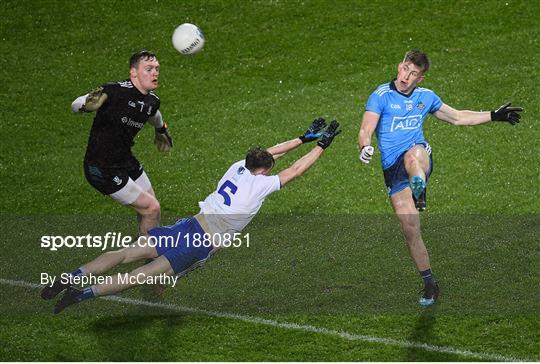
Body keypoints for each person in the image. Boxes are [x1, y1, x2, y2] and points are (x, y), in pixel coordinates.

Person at [41, 118, 341, 314]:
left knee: (122, 254)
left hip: (187, 225)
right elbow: (295, 170)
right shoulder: (261, 185)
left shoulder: (238, 167)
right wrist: (322, 146)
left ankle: (68, 278)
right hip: (200, 243)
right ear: (264, 169)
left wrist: (302, 138)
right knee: (137, 277)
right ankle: (79, 296)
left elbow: (272, 153)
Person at [357, 49, 523, 306]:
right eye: (404, 69)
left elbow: (457, 117)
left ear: (420, 79)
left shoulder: (426, 97)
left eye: (413, 74)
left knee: (412, 157)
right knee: (410, 231)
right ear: (400, 66)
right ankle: (430, 283)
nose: (405, 77)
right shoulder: (381, 96)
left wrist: (493, 115)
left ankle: (419, 187)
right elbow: (366, 128)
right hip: (393, 171)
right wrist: (365, 146)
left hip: (419, 157)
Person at [71, 50, 173, 236]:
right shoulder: (114, 91)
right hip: (101, 167)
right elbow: (75, 104)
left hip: (125, 160)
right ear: (133, 72)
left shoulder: (152, 100)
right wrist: (86, 106)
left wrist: (161, 130)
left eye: (157, 69)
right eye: (148, 69)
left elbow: (153, 114)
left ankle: (149, 250)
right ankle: (150, 259)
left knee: (151, 207)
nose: (155, 73)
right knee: (151, 208)